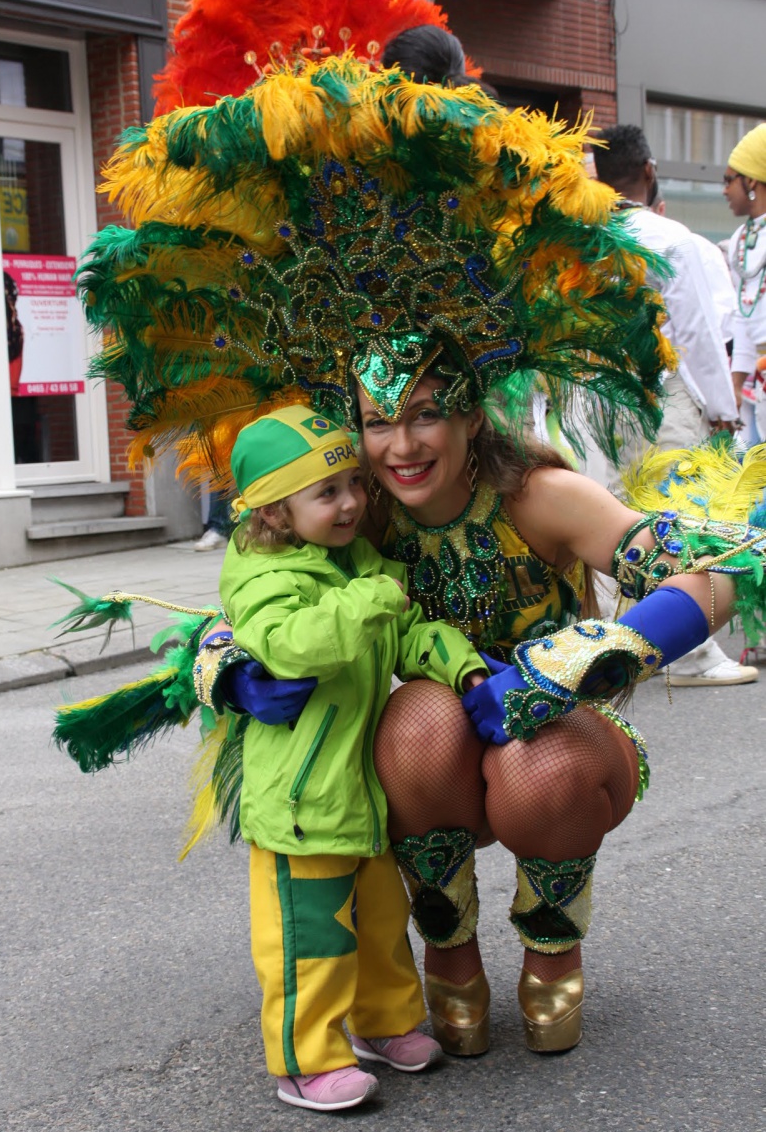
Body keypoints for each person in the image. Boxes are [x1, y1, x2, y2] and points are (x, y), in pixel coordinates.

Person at [59, 58, 766, 1068]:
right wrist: (228, 670)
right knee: (415, 724)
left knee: (539, 762)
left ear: (472, 413)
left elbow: (723, 567)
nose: (400, 445)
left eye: (427, 413)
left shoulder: (539, 496)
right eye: (377, 420)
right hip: (432, 761)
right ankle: (448, 950)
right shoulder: (356, 510)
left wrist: (579, 660)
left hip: (560, 747)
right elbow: (250, 603)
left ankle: (552, 942)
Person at [213, 402, 494, 1110]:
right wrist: (371, 597)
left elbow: (408, 631)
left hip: (357, 794)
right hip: (302, 806)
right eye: (327, 493)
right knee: (310, 940)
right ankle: (305, 1060)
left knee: (379, 925)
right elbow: (293, 644)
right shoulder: (265, 577)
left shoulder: (353, 564)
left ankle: (384, 1023)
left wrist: (462, 667)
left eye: (353, 486)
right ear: (275, 512)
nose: (351, 504)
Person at [590, 125, 755, 686]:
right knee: (680, 512)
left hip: (598, 396)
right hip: (664, 392)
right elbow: (697, 335)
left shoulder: (582, 237)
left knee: (613, 514)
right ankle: (690, 652)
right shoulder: (670, 239)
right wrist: (722, 407)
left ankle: (615, 646)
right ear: (649, 170)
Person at [725, 124, 766, 443]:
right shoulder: (739, 239)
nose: (724, 191)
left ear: (751, 180)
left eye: (729, 180)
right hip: (758, 382)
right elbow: (743, 317)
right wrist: (735, 386)